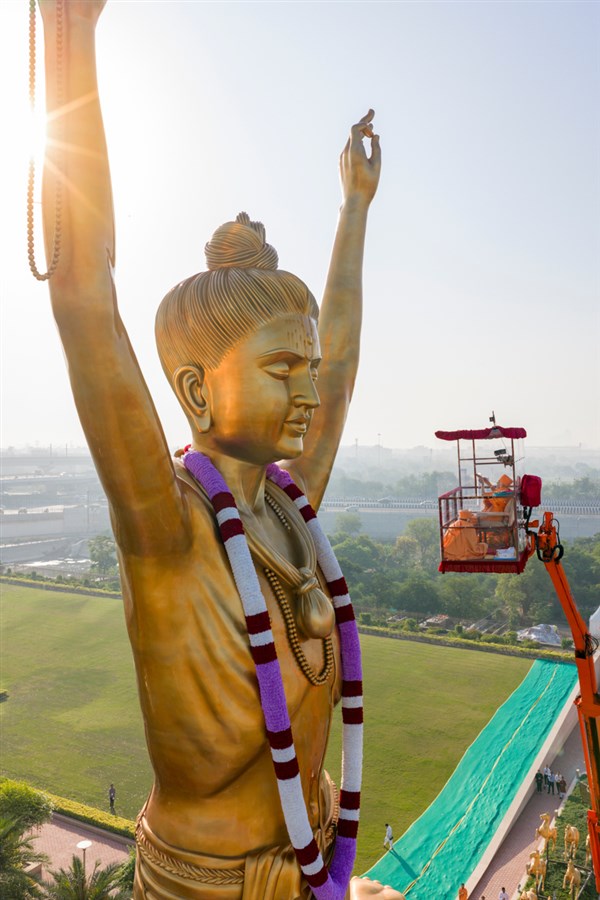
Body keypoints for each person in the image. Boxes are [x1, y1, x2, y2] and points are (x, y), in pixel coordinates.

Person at [37, 3, 405, 899]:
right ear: (198, 391)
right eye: (285, 368)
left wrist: (353, 211)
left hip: (315, 852)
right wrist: (67, 33)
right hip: (204, 882)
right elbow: (85, 296)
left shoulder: (288, 504)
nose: (311, 394)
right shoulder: (166, 529)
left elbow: (347, 364)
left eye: (306, 368)